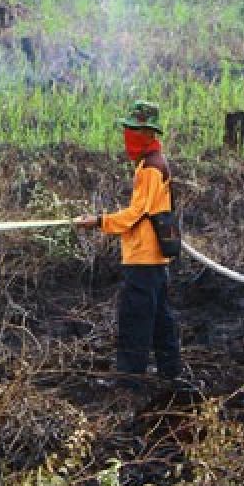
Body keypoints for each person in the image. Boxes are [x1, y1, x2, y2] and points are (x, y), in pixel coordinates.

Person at [74, 100, 181, 385]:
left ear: (149, 134)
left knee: (135, 318)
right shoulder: (154, 163)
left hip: (143, 257)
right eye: (128, 129)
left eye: (134, 130)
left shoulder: (150, 168)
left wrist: (98, 221)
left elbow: (136, 215)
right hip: (154, 257)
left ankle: (128, 378)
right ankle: (170, 372)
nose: (128, 136)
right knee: (160, 319)